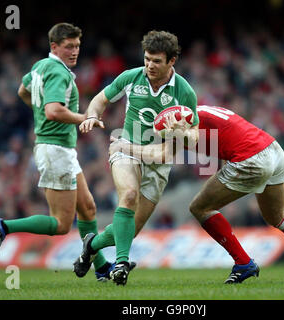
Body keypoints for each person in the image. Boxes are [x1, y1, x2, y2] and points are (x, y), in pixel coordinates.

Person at [108, 105, 284, 283]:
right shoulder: (199, 111)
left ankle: (243, 263)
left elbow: (176, 146)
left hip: (251, 160)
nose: (163, 137)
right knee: (277, 216)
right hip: (272, 150)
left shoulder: (187, 126)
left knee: (199, 207)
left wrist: (125, 147)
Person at [0, 23, 115, 281]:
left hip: (60, 149)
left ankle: (101, 267)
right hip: (55, 149)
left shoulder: (40, 67)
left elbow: (23, 91)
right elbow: (53, 110)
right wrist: (85, 118)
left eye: (77, 46)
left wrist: (41, 114)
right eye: (69, 46)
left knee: (88, 208)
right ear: (54, 46)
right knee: (61, 224)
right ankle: (4, 225)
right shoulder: (58, 72)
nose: (75, 51)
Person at [73, 30, 199, 285]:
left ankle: (91, 245)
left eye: (157, 61)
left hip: (160, 160)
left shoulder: (184, 91)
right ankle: (121, 264)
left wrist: (182, 132)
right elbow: (99, 100)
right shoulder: (132, 77)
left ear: (171, 61)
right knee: (128, 196)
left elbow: (195, 137)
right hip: (126, 147)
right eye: (147, 59)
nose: (150, 66)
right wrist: (93, 116)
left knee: (132, 229)